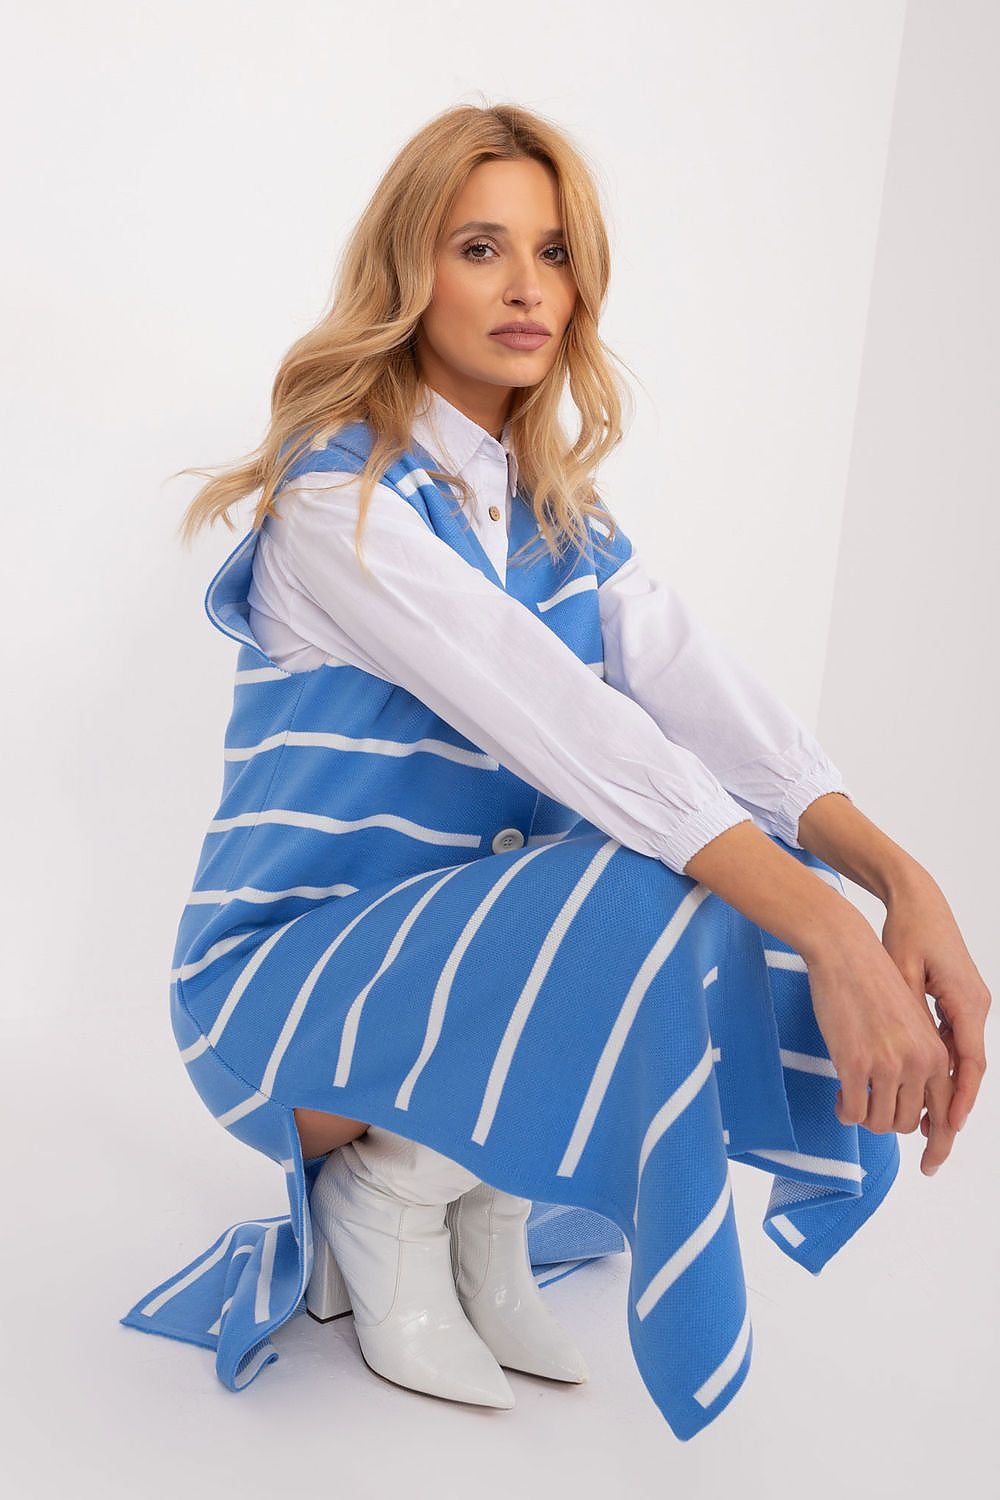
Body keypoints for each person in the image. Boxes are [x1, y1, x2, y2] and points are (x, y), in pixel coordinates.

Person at [120, 102, 990, 1442]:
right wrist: (828, 934)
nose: (530, 286)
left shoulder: (558, 516)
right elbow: (578, 736)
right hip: (277, 1007)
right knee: (655, 878)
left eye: (556, 250)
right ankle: (387, 1194)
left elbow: (725, 719)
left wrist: (896, 879)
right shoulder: (337, 499)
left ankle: (481, 1205)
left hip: (438, 973)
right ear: (412, 268)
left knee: (732, 857)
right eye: (482, 247)